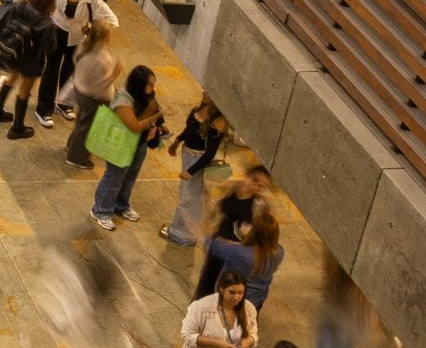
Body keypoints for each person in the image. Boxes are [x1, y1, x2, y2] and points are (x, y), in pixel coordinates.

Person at [35, 0, 117, 126]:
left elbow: (111, 19)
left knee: (69, 70)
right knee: (51, 70)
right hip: (57, 33)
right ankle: (43, 109)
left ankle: (64, 104)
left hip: (76, 38)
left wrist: (92, 27)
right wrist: (49, 10)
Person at [92, 64, 168, 227]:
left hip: (139, 143)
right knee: (114, 177)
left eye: (153, 83)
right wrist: (157, 115)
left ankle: (120, 205)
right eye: (149, 84)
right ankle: (101, 210)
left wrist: (159, 123)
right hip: (120, 143)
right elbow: (134, 126)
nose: (152, 88)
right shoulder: (124, 100)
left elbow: (150, 113)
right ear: (138, 84)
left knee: (130, 177)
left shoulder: (147, 95)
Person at [0, 0, 59, 141]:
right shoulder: (47, 23)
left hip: (15, 51)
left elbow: (8, 21)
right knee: (24, 90)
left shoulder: (22, 5)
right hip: (31, 60)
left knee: (11, 79)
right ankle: (17, 128)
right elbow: (50, 47)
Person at [162, 94, 231, 245]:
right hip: (188, 155)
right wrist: (177, 141)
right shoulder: (199, 109)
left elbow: (209, 153)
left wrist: (191, 171)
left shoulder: (218, 121)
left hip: (196, 160)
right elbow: (190, 128)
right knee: (187, 193)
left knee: (190, 198)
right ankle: (180, 229)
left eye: (209, 92)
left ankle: (182, 234)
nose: (204, 93)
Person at [197, 203, 285, 310]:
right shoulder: (279, 251)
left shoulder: (241, 253)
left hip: (234, 300)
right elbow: (258, 249)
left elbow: (212, 245)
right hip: (257, 300)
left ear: (255, 232)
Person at [59, 19, 119, 168]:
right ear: (105, 36)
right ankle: (76, 158)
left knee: (81, 122)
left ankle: (71, 146)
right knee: (88, 127)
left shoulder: (84, 46)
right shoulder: (101, 57)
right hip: (95, 97)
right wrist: (115, 73)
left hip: (81, 91)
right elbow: (102, 83)